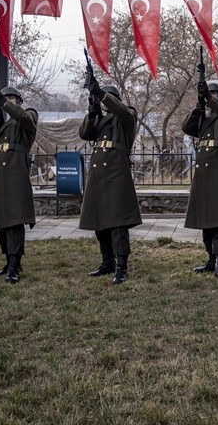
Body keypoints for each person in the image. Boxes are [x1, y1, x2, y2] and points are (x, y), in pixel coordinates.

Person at [78, 81, 141, 285]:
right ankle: (107, 262)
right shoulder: (101, 119)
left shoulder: (126, 116)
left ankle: (122, 267)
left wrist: (102, 94)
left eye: (107, 98)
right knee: (100, 222)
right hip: (98, 174)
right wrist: (93, 111)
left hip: (116, 173)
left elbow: (122, 111)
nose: (104, 102)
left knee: (117, 223)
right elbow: (84, 134)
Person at [0, 86, 37, 284]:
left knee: (15, 221)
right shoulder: (1, 124)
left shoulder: (27, 115)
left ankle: (15, 263)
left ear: (19, 100)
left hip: (16, 173)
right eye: (5, 98)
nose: (8, 100)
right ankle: (8, 261)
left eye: (12, 97)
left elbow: (26, 120)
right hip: (0, 176)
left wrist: (4, 103)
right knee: (1, 221)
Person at [183, 80, 218, 282]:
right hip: (203, 175)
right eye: (209, 94)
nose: (211, 98)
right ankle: (210, 259)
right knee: (206, 220)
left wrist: (208, 98)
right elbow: (187, 128)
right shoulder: (205, 119)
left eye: (215, 95)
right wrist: (198, 109)